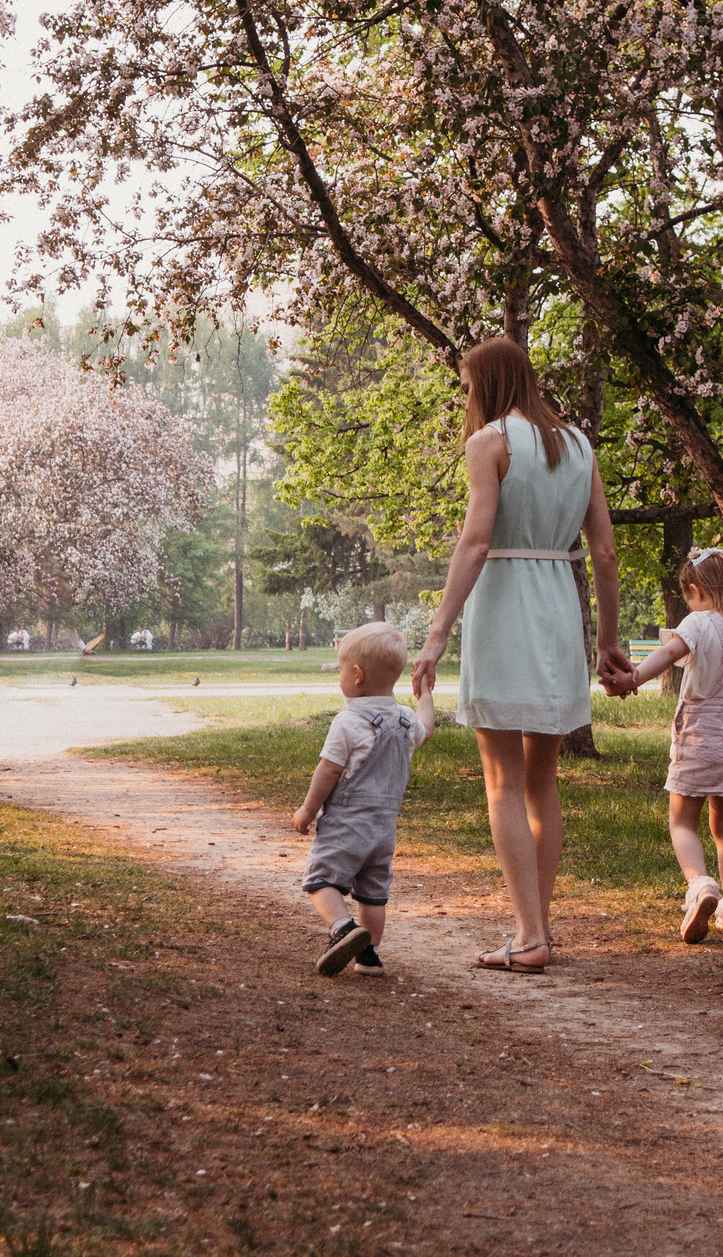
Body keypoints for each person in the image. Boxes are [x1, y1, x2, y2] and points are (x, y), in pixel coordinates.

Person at [409, 338, 627, 974]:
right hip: (559, 604)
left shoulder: (490, 443)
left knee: (503, 780)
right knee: (541, 781)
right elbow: (605, 552)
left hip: (504, 603)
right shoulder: (578, 444)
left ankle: (530, 936)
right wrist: (607, 642)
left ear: (487, 382)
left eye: (467, 386)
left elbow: (476, 543)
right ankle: (537, 926)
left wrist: (437, 633)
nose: (466, 397)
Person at [610, 548, 723, 942]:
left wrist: (631, 679)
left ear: (697, 591)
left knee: (682, 821)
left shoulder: (698, 623)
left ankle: (699, 885)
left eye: (688, 597)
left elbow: (668, 653)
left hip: (698, 735)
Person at [293, 622, 430, 978]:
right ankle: (369, 957)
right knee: (373, 893)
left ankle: (343, 929)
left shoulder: (348, 722)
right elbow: (427, 730)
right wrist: (425, 696)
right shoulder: (405, 719)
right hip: (383, 830)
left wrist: (308, 810)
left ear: (356, 674)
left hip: (346, 823)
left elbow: (328, 771)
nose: (340, 676)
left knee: (320, 880)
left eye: (341, 670)